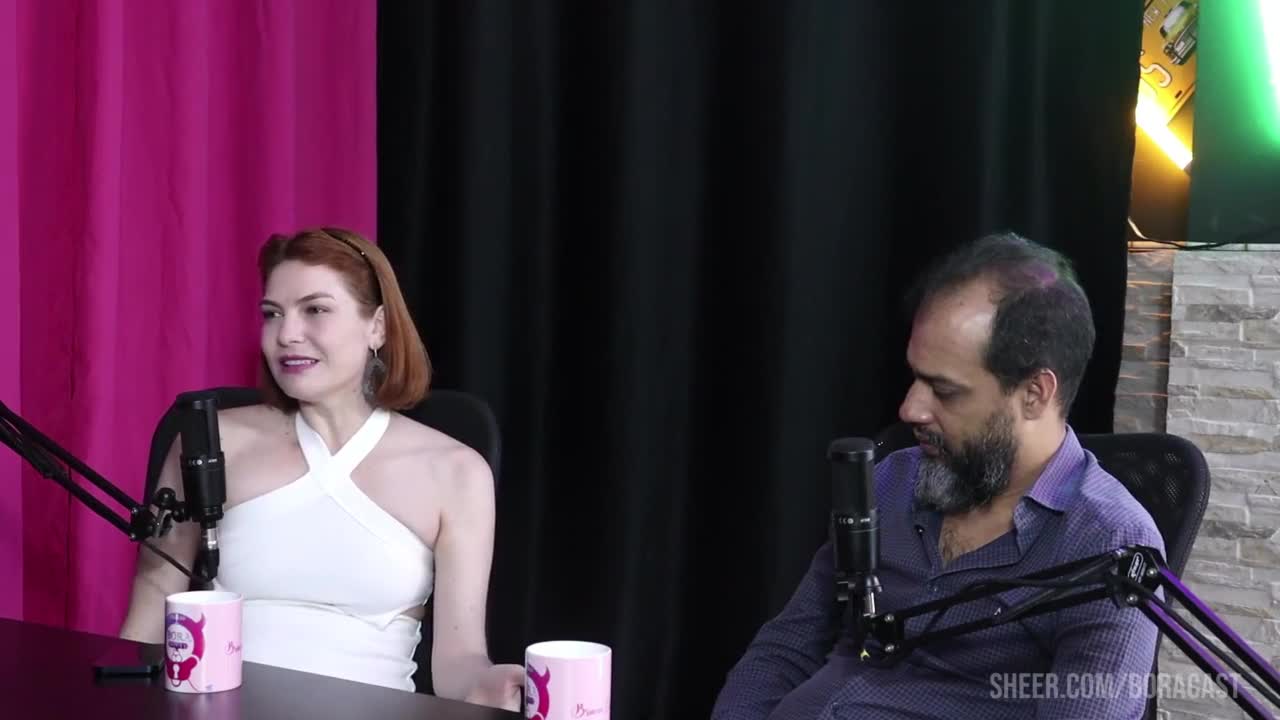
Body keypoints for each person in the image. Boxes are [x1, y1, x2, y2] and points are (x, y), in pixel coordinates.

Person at [711, 233, 1164, 719]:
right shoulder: (891, 481)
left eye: (944, 391)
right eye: (915, 377)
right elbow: (787, 647)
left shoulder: (1107, 548)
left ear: (1034, 393)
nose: (910, 409)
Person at [120, 227, 523, 711]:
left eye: (315, 310)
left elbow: (459, 664)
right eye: (272, 313)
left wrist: (491, 685)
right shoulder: (209, 441)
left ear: (377, 327)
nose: (286, 334)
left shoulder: (456, 472)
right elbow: (147, 621)